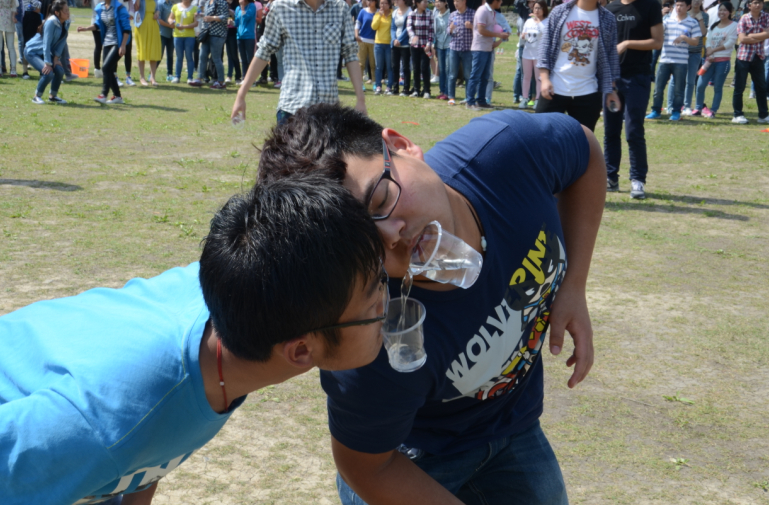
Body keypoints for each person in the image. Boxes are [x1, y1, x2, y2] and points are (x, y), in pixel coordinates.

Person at [256, 101, 605, 505]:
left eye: (380, 198)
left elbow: (585, 150)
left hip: (512, 426)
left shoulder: (506, 152)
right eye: (360, 241)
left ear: (401, 145)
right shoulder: (364, 330)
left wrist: (574, 285)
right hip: (409, 460)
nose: (390, 236)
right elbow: (366, 466)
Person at [1, 174, 389, 505]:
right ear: (301, 350)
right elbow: (132, 428)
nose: (386, 308)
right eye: (375, 303)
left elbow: (148, 452)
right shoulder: (101, 422)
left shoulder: (247, 297)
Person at [230, 0, 366, 126]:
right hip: (291, 108)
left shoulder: (340, 8)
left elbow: (350, 54)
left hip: (329, 111)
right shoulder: (281, 8)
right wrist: (241, 95)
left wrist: (361, 100)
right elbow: (263, 52)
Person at [604, 0, 663, 199]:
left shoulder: (650, 5)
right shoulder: (610, 9)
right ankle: (610, 177)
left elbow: (657, 41)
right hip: (612, 80)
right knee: (610, 130)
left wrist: (628, 44)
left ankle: (637, 180)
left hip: (637, 78)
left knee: (633, 130)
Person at [536, 0, 621, 130]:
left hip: (588, 91)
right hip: (555, 87)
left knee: (582, 144)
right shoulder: (559, 11)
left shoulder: (608, 18)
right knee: (542, 137)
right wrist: (545, 79)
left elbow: (611, 56)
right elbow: (545, 46)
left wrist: (612, 90)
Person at [645, 0, 702, 121]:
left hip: (681, 61)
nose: (678, 8)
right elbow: (656, 33)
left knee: (678, 90)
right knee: (658, 88)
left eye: (682, 5)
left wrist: (684, 37)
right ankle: (656, 110)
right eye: (677, 5)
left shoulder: (692, 22)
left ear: (688, 6)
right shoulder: (667, 21)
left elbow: (696, 42)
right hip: (665, 59)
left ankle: (676, 112)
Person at [79, 0, 132, 104]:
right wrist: (85, 28)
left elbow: (127, 28)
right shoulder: (100, 7)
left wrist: (123, 45)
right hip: (107, 42)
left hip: (119, 42)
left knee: (106, 67)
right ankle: (117, 96)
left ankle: (103, 94)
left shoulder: (119, 8)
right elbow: (98, 24)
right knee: (109, 70)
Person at [694, 1, 736, 118]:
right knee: (700, 85)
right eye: (720, 10)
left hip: (723, 62)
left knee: (717, 86)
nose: (722, 12)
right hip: (709, 61)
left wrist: (713, 50)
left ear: (730, 12)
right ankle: (698, 108)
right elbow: (707, 40)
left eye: (724, 10)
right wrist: (708, 50)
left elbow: (730, 43)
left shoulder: (734, 25)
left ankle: (714, 109)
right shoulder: (714, 26)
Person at [730, 0, 769, 124]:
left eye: (760, 2)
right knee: (739, 87)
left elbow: (767, 34)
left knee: (761, 87)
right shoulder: (744, 18)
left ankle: (763, 115)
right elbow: (742, 38)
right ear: (749, 5)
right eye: (755, 2)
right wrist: (760, 36)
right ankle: (737, 114)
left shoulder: (766, 17)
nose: (758, 5)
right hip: (743, 56)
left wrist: (751, 36)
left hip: (758, 56)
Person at [666, 0, 707, 114]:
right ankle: (670, 105)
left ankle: (687, 106)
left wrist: (700, 19)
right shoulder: (680, 14)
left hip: (695, 52)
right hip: (680, 51)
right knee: (674, 79)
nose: (697, 2)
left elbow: (703, 33)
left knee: (690, 80)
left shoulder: (704, 15)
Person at [466, 0, 508, 109]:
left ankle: (481, 100)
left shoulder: (492, 12)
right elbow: (481, 30)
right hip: (480, 48)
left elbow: (489, 28)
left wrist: (499, 36)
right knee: (475, 76)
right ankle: (470, 102)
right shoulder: (482, 11)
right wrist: (499, 34)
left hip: (488, 47)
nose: (501, 2)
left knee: (485, 77)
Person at [23, 0, 68, 103]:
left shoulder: (66, 22)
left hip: (43, 52)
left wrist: (56, 58)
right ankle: (36, 96)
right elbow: (46, 44)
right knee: (48, 73)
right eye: (65, 11)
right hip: (32, 51)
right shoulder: (51, 22)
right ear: (57, 12)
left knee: (60, 70)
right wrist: (48, 63)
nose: (68, 13)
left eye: (68, 10)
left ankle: (53, 97)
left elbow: (62, 41)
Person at [190, 0, 228, 88]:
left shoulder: (222, 2)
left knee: (216, 58)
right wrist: (200, 15)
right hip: (207, 34)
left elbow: (225, 16)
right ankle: (199, 79)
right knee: (202, 56)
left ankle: (221, 81)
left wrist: (213, 18)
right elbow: (206, 16)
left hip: (218, 34)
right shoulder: (207, 2)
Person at [520, 0, 548, 109]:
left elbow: (546, 37)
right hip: (527, 53)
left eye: (539, 8)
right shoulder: (528, 21)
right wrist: (524, 36)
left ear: (544, 9)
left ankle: (537, 99)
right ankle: (524, 98)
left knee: (539, 78)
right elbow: (523, 34)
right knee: (526, 77)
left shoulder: (547, 22)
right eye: (535, 8)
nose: (536, 10)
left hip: (539, 54)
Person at [447, 0, 474, 105]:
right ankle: (451, 98)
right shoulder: (453, 15)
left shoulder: (472, 13)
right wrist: (450, 28)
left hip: (468, 49)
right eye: (454, 1)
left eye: (457, 1)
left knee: (468, 75)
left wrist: (471, 26)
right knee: (452, 74)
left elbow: (478, 29)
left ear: (464, 1)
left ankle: (468, 97)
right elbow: (447, 32)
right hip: (454, 48)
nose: (455, 3)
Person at [407, 0, 434, 98]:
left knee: (424, 67)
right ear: (417, 3)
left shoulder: (429, 13)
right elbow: (409, 27)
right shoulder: (412, 14)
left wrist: (429, 43)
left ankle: (427, 90)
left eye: (427, 2)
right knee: (416, 68)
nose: (426, 4)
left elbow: (431, 29)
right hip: (414, 45)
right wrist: (413, 36)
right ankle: (416, 90)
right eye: (424, 2)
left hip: (425, 46)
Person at [169, 0, 197, 83]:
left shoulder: (196, 8)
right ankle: (177, 76)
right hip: (177, 36)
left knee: (189, 56)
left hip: (190, 36)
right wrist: (171, 21)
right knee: (179, 57)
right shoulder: (175, 7)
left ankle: (190, 77)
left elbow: (196, 23)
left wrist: (184, 26)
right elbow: (170, 18)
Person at [371, 0, 393, 95]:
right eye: (381, 3)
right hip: (379, 44)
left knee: (389, 67)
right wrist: (379, 16)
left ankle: (389, 87)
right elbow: (374, 27)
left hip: (389, 44)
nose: (383, 5)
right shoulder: (377, 14)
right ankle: (378, 86)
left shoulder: (393, 14)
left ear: (389, 4)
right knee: (379, 67)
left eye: (385, 3)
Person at [390, 0, 411, 96]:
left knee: (406, 67)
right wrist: (394, 39)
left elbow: (408, 28)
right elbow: (393, 28)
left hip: (405, 44)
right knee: (395, 66)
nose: (396, 1)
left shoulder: (410, 11)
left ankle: (406, 89)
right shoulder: (394, 12)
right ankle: (395, 88)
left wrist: (400, 39)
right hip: (395, 44)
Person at [234, 0, 256, 84]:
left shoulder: (252, 6)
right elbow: (237, 22)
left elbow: (246, 17)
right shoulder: (237, 8)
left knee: (249, 59)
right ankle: (244, 78)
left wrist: (242, 7)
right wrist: (231, 22)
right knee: (243, 59)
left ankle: (252, 80)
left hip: (249, 36)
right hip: (239, 36)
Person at [21, 0, 43, 79]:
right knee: (26, 46)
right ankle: (25, 71)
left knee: (38, 46)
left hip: (35, 19)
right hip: (27, 18)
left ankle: (41, 71)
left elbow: (38, 7)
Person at [357, 0, 377, 86]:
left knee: (373, 64)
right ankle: (360, 83)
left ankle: (375, 82)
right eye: (368, 0)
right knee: (361, 63)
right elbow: (357, 23)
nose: (369, 2)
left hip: (374, 41)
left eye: (371, 0)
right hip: (362, 40)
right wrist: (356, 34)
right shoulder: (363, 11)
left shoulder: (379, 12)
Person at [433, 0, 450, 99]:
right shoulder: (435, 15)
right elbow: (435, 32)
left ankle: (447, 92)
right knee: (442, 69)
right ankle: (442, 91)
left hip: (449, 45)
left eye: (440, 1)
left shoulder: (451, 14)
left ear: (445, 3)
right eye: (436, 2)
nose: (437, 3)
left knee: (448, 69)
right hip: (439, 45)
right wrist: (434, 46)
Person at [156, 0, 175, 81]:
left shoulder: (171, 4)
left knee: (170, 56)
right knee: (159, 55)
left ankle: (169, 74)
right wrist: (169, 25)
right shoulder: (160, 3)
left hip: (171, 34)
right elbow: (159, 20)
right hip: (162, 33)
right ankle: (151, 74)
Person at [0, 0, 19, 76]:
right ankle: (13, 70)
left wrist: (13, 16)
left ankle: (12, 69)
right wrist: (13, 16)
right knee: (11, 46)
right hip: (9, 17)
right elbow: (15, 5)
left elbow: (15, 5)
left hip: (6, 16)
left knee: (9, 46)